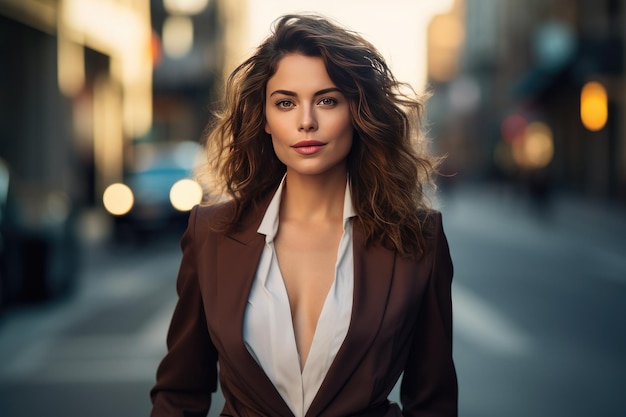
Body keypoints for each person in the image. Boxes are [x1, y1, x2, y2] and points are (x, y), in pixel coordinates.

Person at [150, 13, 457, 417]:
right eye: (285, 103)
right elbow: (179, 394)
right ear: (265, 119)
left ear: (357, 112)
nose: (306, 121)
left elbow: (433, 403)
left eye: (327, 100)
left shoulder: (419, 238)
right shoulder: (212, 233)